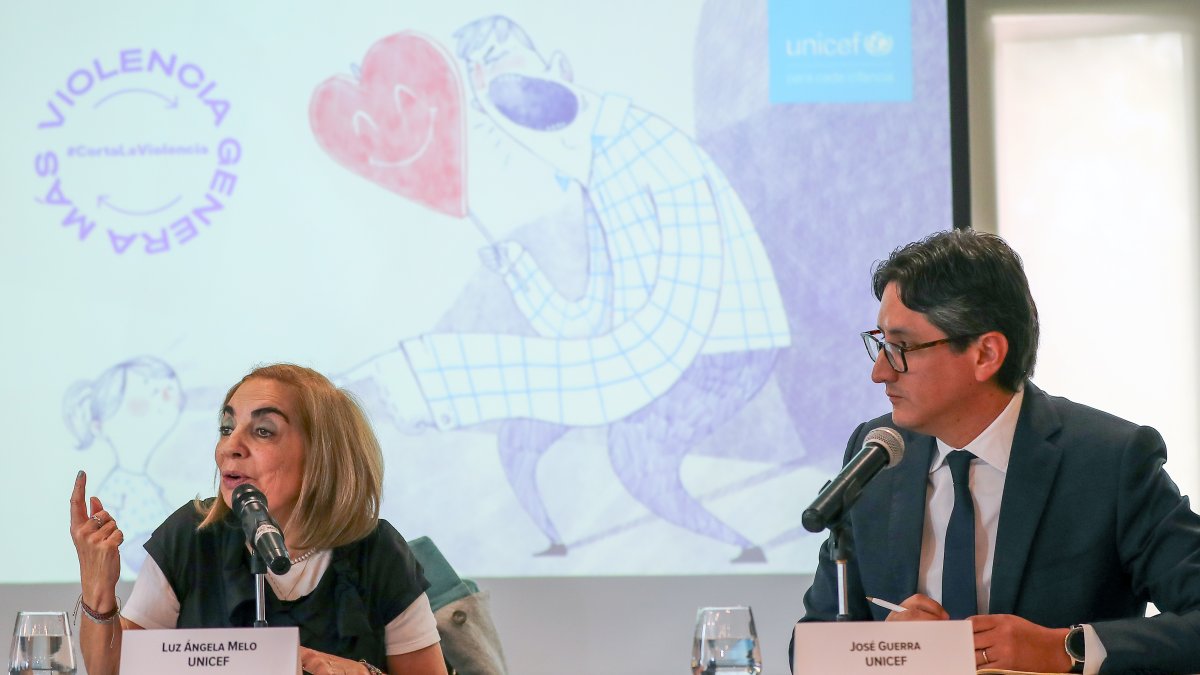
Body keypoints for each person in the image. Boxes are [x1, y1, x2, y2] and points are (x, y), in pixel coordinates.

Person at [341, 14, 791, 562]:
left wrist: (434, 377)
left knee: (635, 451)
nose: (525, 119)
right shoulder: (600, 169)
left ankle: (748, 556)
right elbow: (589, 321)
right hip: (661, 347)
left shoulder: (652, 157)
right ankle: (553, 556)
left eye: (524, 94)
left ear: (560, 70)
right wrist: (521, 274)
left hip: (722, 351)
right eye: (501, 109)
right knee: (523, 434)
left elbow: (667, 335)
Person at [796, 229, 1200, 674]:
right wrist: (885, 653)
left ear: (986, 354)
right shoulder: (876, 455)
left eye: (902, 347)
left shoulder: (1109, 461)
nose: (879, 372)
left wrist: (1066, 648)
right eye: (880, 343)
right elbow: (809, 646)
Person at [69, 363, 448, 675]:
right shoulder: (191, 534)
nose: (230, 447)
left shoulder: (377, 549)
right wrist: (98, 590)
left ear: (321, 454)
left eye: (263, 431)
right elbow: (113, 672)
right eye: (226, 428)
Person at [63, 355, 183, 573]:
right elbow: (131, 551)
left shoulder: (148, 484)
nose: (162, 402)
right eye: (146, 399)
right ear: (99, 426)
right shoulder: (119, 488)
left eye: (165, 393)